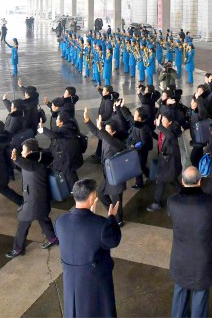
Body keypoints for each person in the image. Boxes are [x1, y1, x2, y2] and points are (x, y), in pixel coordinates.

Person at [56, 179, 122, 318]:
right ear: (92, 197)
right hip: (95, 280)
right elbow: (113, 240)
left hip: (71, 281)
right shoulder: (101, 225)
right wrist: (111, 218)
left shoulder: (60, 221)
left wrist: (91, 214)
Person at [168, 167, 212, 318]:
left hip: (180, 258)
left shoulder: (173, 202)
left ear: (182, 181)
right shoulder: (209, 202)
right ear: (200, 181)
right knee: (201, 294)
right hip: (203, 259)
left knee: (180, 290)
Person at [8, 139, 58, 258]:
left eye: (24, 151)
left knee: (23, 223)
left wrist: (16, 159)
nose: (22, 153)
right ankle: (52, 239)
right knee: (43, 218)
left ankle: (18, 248)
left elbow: (25, 164)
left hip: (33, 201)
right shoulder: (38, 159)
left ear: (30, 152)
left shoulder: (34, 164)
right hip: (39, 199)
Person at [83, 108, 126, 227]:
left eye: (107, 131)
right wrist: (87, 120)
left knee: (117, 199)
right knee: (101, 194)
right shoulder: (106, 138)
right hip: (108, 175)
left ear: (113, 133)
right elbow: (97, 133)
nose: (104, 133)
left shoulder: (116, 143)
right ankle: (111, 213)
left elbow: (104, 135)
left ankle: (118, 220)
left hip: (116, 176)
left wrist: (102, 129)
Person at [147, 112, 182, 212]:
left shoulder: (173, 130)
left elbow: (170, 137)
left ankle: (157, 202)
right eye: (161, 120)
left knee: (161, 180)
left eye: (163, 120)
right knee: (172, 179)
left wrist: (160, 126)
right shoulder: (166, 130)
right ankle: (183, 195)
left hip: (169, 162)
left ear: (170, 122)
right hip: (167, 161)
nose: (161, 122)